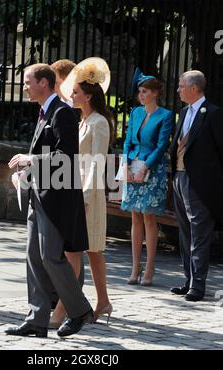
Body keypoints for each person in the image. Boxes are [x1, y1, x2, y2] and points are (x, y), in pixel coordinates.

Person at [6, 63, 93, 338]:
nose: (25, 87)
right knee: (34, 257)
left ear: (44, 83)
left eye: (28, 81)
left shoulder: (63, 112)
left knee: (50, 257)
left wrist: (29, 159)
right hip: (39, 195)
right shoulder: (45, 111)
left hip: (57, 201)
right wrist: (24, 175)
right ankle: (36, 319)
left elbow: (65, 157)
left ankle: (79, 311)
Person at [51, 57, 113, 325]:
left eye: (75, 91)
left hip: (88, 194)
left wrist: (85, 197)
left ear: (87, 96)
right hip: (78, 190)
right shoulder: (83, 121)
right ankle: (102, 301)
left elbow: (98, 163)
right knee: (91, 252)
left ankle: (63, 310)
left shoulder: (98, 123)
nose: (71, 95)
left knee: (77, 251)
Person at [170, 70, 223, 302]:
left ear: (194, 88)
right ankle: (188, 279)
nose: (179, 90)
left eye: (181, 86)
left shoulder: (213, 113)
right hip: (180, 178)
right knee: (184, 231)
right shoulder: (183, 112)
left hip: (200, 183)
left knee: (199, 233)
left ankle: (198, 285)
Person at [120, 68, 173, 286]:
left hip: (152, 169)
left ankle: (150, 266)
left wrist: (146, 166)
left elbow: (162, 145)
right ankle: (135, 266)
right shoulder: (135, 113)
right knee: (134, 217)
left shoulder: (166, 115)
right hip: (133, 165)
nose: (140, 95)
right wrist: (126, 163)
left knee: (149, 217)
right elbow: (127, 140)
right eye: (139, 92)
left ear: (154, 93)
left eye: (144, 91)